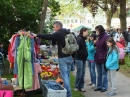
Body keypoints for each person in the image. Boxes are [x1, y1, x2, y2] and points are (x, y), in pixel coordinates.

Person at [32, 21, 73, 97]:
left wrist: (37, 35)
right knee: (67, 75)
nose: (54, 29)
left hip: (63, 58)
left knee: (65, 76)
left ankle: (68, 94)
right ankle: (67, 91)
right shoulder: (67, 32)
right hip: (69, 57)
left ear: (58, 27)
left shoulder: (58, 33)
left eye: (54, 27)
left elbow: (48, 36)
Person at [94, 25, 109, 92]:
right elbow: (98, 46)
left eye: (97, 30)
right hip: (97, 57)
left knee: (104, 73)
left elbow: (107, 48)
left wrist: (105, 56)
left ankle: (104, 87)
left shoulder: (106, 37)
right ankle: (99, 86)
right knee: (99, 72)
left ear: (100, 30)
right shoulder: (99, 37)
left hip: (103, 57)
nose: (96, 32)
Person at [74, 27, 88, 92]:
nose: (87, 33)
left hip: (83, 58)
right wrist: (82, 53)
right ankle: (76, 86)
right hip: (79, 58)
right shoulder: (79, 39)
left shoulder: (83, 39)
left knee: (83, 73)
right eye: (87, 31)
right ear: (83, 32)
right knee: (79, 73)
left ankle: (81, 86)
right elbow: (77, 49)